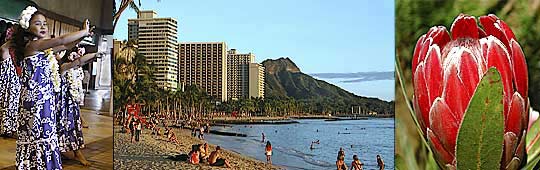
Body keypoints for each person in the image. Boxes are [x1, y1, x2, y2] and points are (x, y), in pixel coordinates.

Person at [13, 5, 93, 169]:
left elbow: (65, 46)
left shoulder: (42, 49)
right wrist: (83, 32)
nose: (43, 26)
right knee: (38, 132)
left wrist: (81, 37)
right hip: (35, 100)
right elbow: (61, 40)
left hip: (44, 98)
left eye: (44, 23)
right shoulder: (33, 46)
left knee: (45, 131)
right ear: (27, 27)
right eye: (37, 23)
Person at [56, 45, 101, 166]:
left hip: (72, 103)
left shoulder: (77, 69)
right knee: (63, 126)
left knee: (74, 126)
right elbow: (78, 62)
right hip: (63, 104)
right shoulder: (63, 67)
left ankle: (76, 152)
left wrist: (93, 56)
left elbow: (79, 63)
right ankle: (63, 151)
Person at [0, 26, 20, 138]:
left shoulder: (19, 53)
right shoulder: (5, 50)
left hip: (17, 83)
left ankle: (12, 128)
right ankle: (8, 128)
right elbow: (3, 49)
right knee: (8, 104)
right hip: (9, 85)